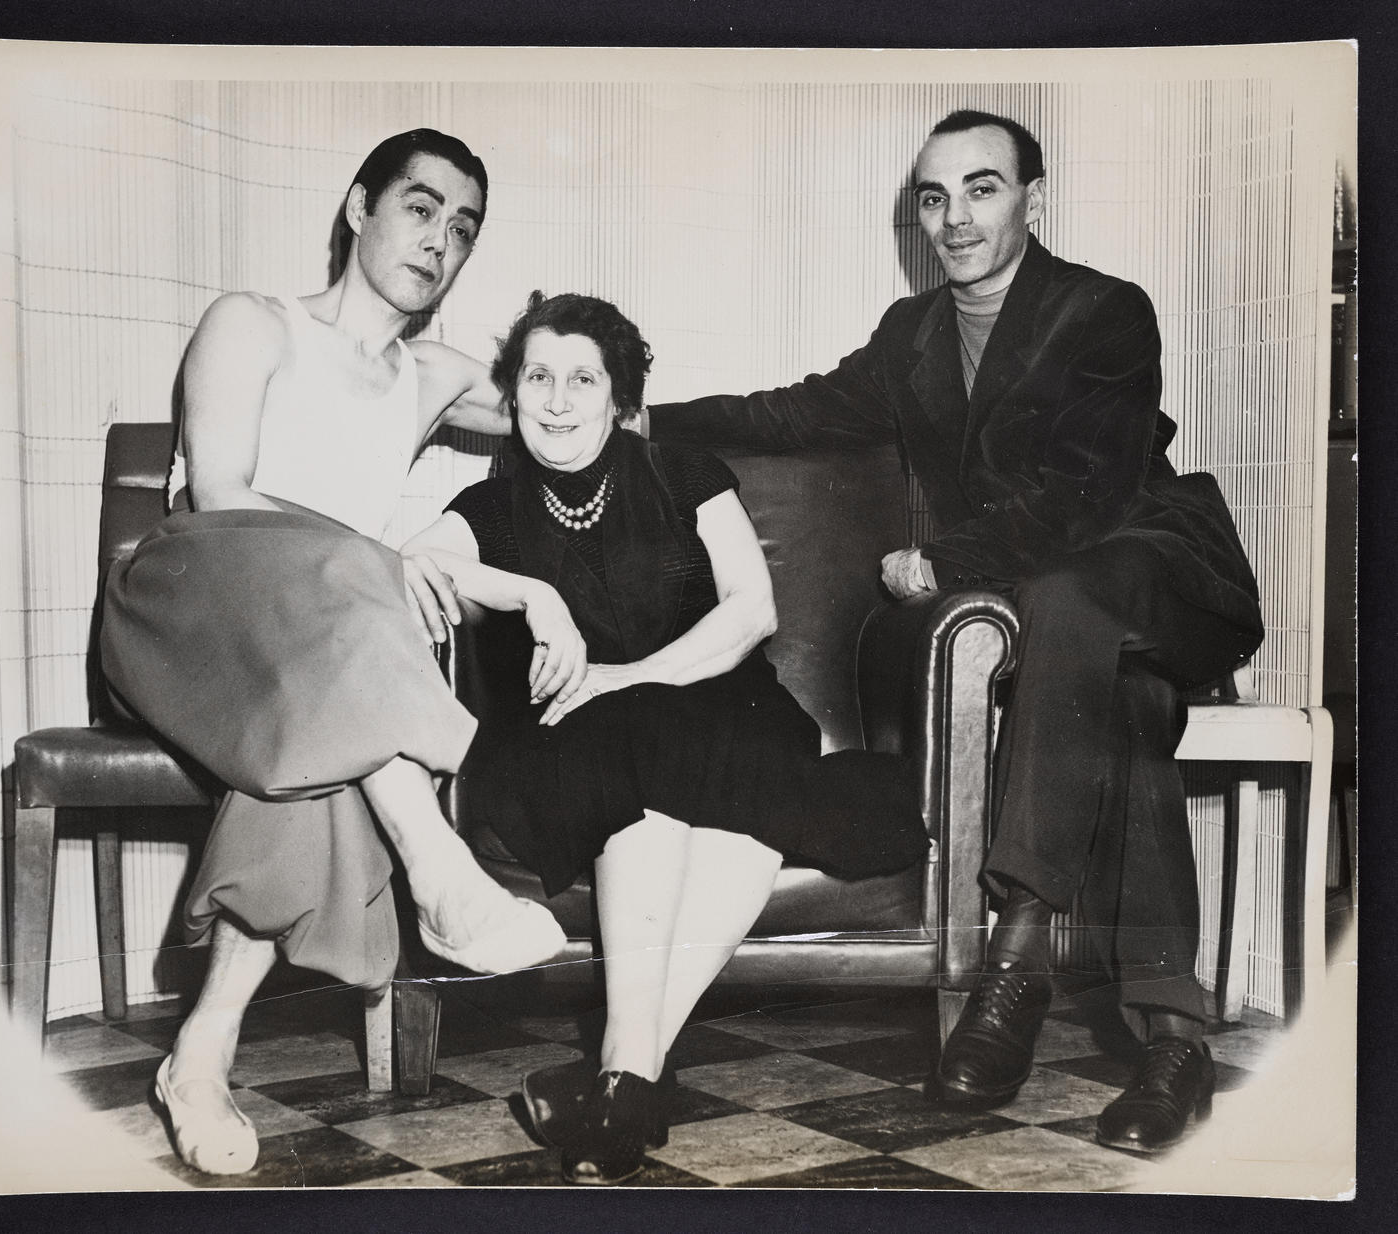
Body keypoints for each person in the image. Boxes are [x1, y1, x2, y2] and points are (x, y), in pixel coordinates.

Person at [647, 110, 1265, 1156]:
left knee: (1067, 596)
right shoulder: (913, 337)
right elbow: (798, 412)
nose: (955, 217)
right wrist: (642, 414)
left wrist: (946, 564)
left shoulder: (1106, 311)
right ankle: (1174, 1041)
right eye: (935, 197)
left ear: (1033, 197)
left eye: (982, 188)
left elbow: (1083, 492)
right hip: (1086, 643)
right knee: (1126, 708)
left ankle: (1013, 957)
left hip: (1153, 565)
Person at [98, 129, 566, 1176]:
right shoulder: (252, 322)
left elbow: (569, 404)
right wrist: (379, 559)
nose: (440, 239)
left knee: (322, 749)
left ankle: (200, 1053)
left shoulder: (432, 371)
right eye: (420, 207)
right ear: (358, 207)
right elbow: (220, 496)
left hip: (314, 663)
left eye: (463, 228)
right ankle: (438, 865)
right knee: (366, 584)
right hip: (185, 612)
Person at [403, 291, 928, 1184]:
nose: (559, 401)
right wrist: (534, 595)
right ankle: (628, 1084)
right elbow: (411, 559)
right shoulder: (488, 506)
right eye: (538, 378)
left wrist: (625, 676)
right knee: (639, 761)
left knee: (730, 772)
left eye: (582, 379)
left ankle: (621, 1076)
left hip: (721, 708)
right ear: (513, 394)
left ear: (620, 398)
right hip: (580, 744)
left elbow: (752, 611)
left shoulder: (686, 473)